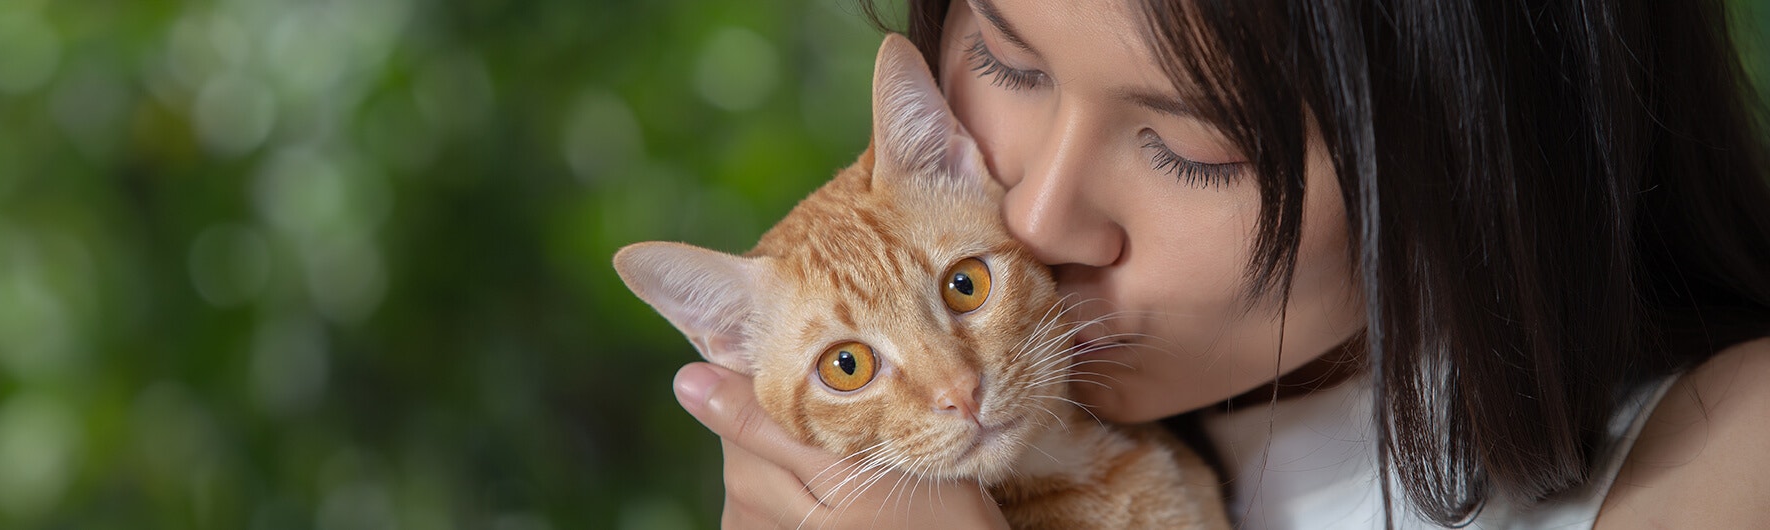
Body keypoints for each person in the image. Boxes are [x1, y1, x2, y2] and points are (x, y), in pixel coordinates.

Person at [669, 0, 1770, 527]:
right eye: (1007, 60)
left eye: (1192, 148)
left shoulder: (1733, 450)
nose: (1036, 222)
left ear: (1473, 156)